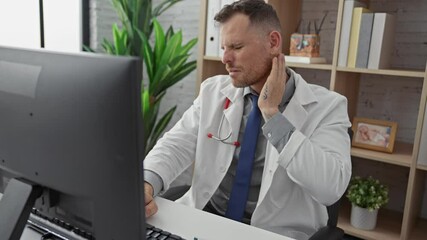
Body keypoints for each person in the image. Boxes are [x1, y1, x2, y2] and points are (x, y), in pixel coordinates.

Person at [143, 0, 352, 239]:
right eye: (224, 48)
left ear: (273, 42)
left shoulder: (329, 106)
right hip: (204, 220)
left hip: (271, 233)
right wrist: (147, 182)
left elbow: (331, 188)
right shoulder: (213, 90)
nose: (225, 59)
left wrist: (273, 116)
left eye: (236, 47)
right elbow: (176, 146)